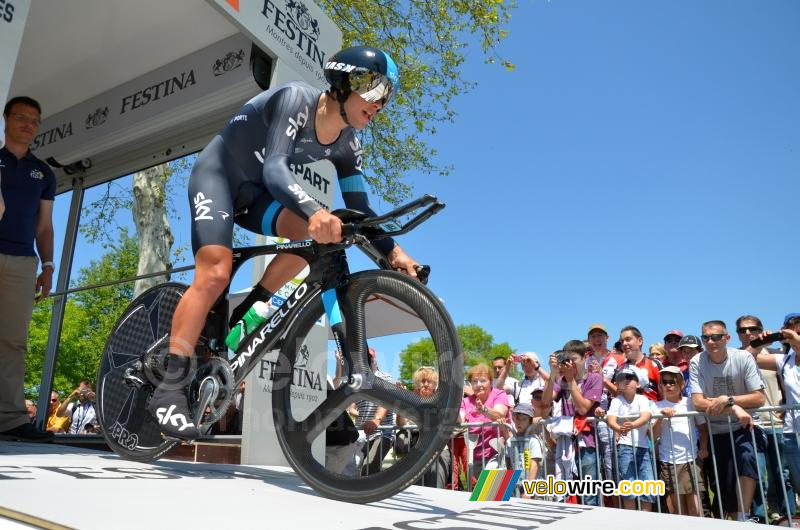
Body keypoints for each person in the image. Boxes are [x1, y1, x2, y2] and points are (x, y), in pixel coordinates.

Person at [146, 47, 420, 440]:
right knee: (215, 273)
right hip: (218, 178)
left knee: (313, 239)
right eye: (375, 91)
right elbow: (275, 169)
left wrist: (393, 252)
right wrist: (314, 210)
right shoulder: (296, 99)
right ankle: (168, 391)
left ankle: (251, 307)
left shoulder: (349, 145)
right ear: (345, 83)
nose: (381, 104)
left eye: (387, 97)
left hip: (256, 194)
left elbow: (360, 210)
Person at [0, 96, 56, 443]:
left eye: (35, 120)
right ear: (6, 120)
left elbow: (45, 225)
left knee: (13, 342)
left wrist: (48, 264)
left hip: (22, 262)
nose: (29, 124)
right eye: (21, 117)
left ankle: (9, 419)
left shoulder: (44, 173)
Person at [690, 320, 766, 522]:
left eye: (716, 336)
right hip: (716, 431)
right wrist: (733, 406)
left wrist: (728, 399)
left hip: (744, 425)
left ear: (726, 337)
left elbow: (759, 397)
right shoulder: (697, 361)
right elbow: (697, 401)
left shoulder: (743, 357)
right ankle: (734, 518)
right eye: (706, 337)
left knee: (747, 460)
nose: (711, 341)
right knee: (724, 484)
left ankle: (743, 517)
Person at [738, 314, 793, 521]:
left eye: (752, 329)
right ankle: (759, 518)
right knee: (757, 475)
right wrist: (760, 343)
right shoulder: (735, 356)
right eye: (743, 330)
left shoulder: (777, 354)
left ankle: (787, 517)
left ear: (761, 329)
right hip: (752, 423)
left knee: (782, 474)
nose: (748, 333)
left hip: (778, 422)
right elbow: (748, 358)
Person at [541, 346, 603, 506]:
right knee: (568, 494)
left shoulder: (594, 378)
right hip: (566, 444)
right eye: (566, 360)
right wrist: (553, 373)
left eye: (573, 359)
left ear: (584, 358)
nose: (570, 364)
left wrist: (570, 380)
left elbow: (583, 408)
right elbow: (545, 403)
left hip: (587, 444)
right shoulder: (561, 380)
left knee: (589, 494)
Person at [753, 313, 800, 518]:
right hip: (792, 431)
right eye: (791, 327)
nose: (795, 332)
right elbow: (749, 356)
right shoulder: (784, 359)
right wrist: (762, 340)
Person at [652, 366, 708, 517]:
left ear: (681, 384)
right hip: (668, 461)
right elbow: (652, 435)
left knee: (695, 508)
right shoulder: (656, 406)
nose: (668, 385)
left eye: (672, 382)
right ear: (660, 386)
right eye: (664, 382)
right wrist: (660, 417)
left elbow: (703, 428)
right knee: (678, 510)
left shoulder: (690, 402)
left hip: (691, 459)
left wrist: (703, 448)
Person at [607, 366, 657, 511]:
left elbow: (646, 416)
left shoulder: (642, 398)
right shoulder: (617, 401)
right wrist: (619, 428)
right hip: (625, 447)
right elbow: (611, 420)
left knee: (647, 485)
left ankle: (647, 522)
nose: (626, 381)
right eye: (622, 378)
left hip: (643, 447)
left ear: (638, 383)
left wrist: (631, 425)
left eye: (630, 378)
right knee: (628, 487)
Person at [396, 366, 451, 488]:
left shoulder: (442, 400)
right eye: (422, 381)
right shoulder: (410, 401)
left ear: (435, 384)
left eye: (429, 381)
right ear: (417, 383)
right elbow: (401, 424)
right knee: (415, 490)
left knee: (436, 487)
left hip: (438, 450)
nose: (426, 384)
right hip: (415, 451)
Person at [459, 364, 510, 480]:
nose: (479, 385)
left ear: (491, 382)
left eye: (483, 381)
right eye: (475, 381)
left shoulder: (498, 394)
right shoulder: (466, 401)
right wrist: (451, 401)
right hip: (477, 456)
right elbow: (460, 420)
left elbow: (500, 414)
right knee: (492, 494)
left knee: (491, 492)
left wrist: (483, 410)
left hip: (499, 452)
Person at [352, 348, 396, 476]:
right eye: (363, 358)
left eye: (369, 357)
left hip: (382, 433)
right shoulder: (357, 382)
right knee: (352, 471)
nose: (366, 360)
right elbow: (351, 407)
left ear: (374, 359)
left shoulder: (384, 377)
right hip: (362, 434)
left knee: (368, 469)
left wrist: (376, 420)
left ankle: (369, 494)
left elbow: (387, 400)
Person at [505, 402, 543, 498]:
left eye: (524, 419)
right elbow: (509, 466)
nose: (519, 422)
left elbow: (534, 466)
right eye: (517, 418)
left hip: (533, 487)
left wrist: (528, 490)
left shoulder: (533, 441)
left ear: (530, 421)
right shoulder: (510, 441)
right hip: (516, 486)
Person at [619, 326, 661, 401]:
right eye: (622, 341)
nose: (624, 343)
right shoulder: (620, 369)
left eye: (628, 339)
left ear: (640, 341)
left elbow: (666, 393)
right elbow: (619, 395)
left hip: (653, 411)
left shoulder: (654, 364)